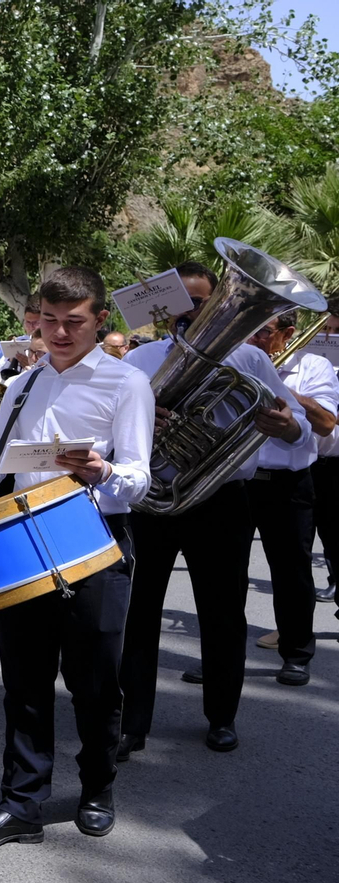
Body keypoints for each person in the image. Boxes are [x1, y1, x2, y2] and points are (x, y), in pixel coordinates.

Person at [0, 266, 153, 848]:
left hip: (93, 540)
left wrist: (104, 473)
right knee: (24, 682)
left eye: (73, 322)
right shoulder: (23, 385)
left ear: (100, 320)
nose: (60, 333)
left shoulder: (126, 384)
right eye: (49, 321)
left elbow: (139, 478)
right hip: (23, 547)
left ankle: (97, 786)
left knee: (95, 682)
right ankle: (22, 801)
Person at [118, 261, 314, 760]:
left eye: (202, 301)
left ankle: (221, 717)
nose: (191, 312)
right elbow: (106, 435)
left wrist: (286, 427)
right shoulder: (137, 362)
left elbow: (301, 434)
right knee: (137, 614)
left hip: (221, 500)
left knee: (223, 613)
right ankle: (131, 722)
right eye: (181, 302)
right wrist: (141, 426)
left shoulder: (251, 360)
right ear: (164, 310)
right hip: (150, 499)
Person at [242, 310, 336, 681]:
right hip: (236, 479)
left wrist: (274, 385)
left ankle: (296, 652)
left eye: (261, 333)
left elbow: (328, 422)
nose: (250, 340)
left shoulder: (314, 366)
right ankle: (222, 655)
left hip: (287, 481)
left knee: (291, 571)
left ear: (288, 333)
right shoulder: (234, 359)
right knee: (223, 572)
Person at [316, 312, 339, 606]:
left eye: (336, 330)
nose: (328, 336)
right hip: (311, 461)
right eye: (326, 329)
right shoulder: (316, 366)